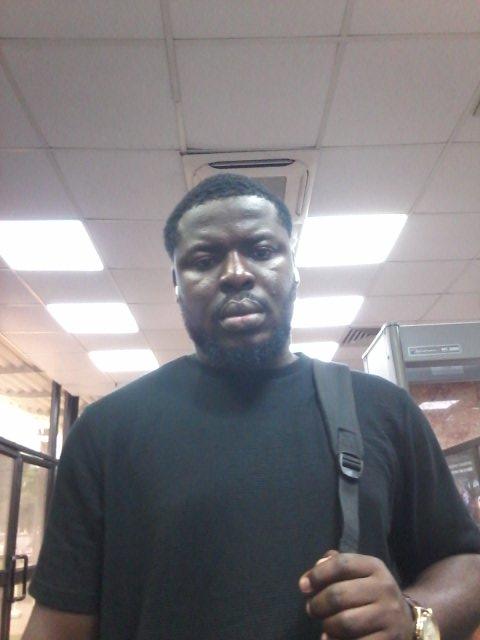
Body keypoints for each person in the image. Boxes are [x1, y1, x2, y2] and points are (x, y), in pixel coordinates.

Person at [24, 174, 480, 640]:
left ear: (294, 270)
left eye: (262, 250)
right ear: (177, 285)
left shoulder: (383, 410)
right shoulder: (106, 430)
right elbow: (59, 622)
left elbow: (466, 563)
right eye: (204, 260)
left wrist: (414, 615)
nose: (236, 273)